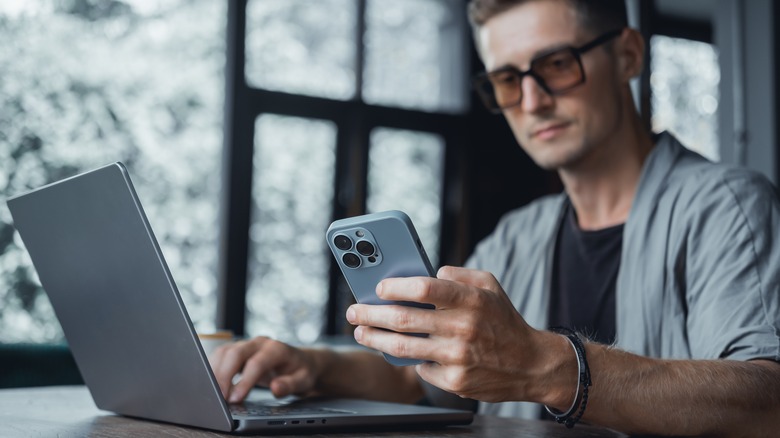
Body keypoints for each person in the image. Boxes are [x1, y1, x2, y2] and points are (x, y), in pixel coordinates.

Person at [210, 0, 780, 435]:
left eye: (557, 64)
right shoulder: (519, 234)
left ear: (628, 54)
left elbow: (769, 401)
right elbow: (425, 376)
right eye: (508, 79)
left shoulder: (725, 205)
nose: (531, 102)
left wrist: (550, 367)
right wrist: (312, 364)